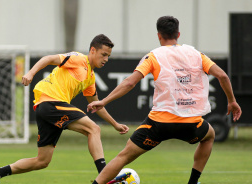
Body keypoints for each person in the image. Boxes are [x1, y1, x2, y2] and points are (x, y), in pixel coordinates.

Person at [88, 16, 242, 184]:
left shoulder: (154, 56)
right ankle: (193, 182)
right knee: (209, 136)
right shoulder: (196, 54)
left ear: (159, 35)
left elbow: (130, 82)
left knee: (124, 156)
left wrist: (104, 101)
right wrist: (232, 101)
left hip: (159, 124)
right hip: (190, 123)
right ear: (178, 34)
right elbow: (223, 76)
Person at [0, 34, 129, 184]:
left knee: (42, 161)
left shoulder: (90, 77)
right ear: (92, 50)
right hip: (50, 102)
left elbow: (97, 105)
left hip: (47, 109)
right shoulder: (78, 58)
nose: (106, 59)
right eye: (103, 54)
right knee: (94, 129)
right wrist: (31, 73)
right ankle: (104, 176)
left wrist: (115, 124)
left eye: (108, 56)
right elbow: (49, 59)